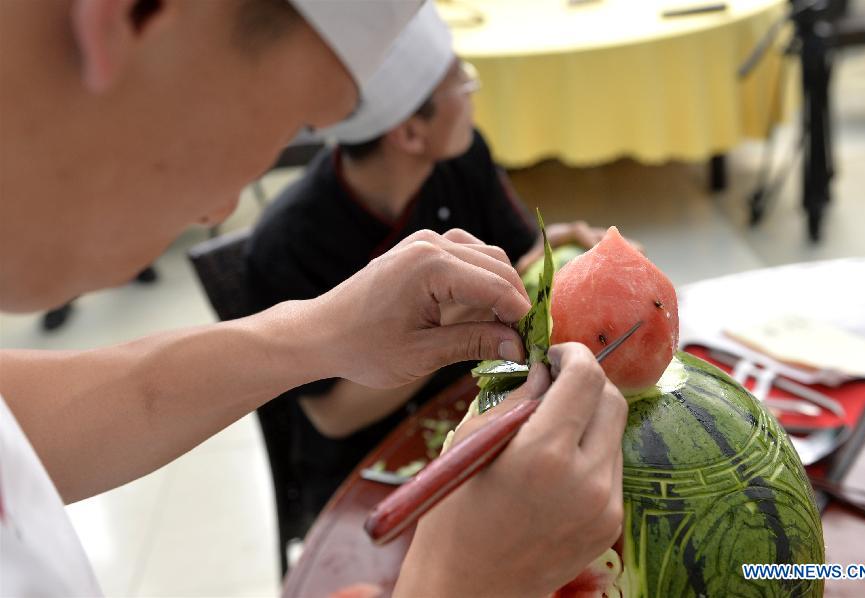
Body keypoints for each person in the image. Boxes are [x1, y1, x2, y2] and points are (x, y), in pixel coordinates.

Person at [0, 2, 627, 597]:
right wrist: (459, 580)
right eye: (281, 120)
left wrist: (318, 334)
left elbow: (79, 412)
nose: (217, 210)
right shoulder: (293, 236)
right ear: (135, 14)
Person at [247, 1, 613, 531]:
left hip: (474, 407)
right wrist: (454, 328)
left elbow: (516, 260)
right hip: (366, 470)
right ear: (411, 133)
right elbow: (332, 415)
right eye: (460, 83)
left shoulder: (462, 160)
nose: (472, 94)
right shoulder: (288, 242)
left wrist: (566, 261)